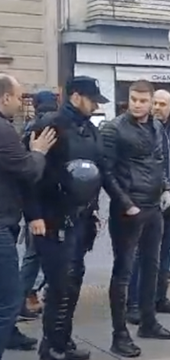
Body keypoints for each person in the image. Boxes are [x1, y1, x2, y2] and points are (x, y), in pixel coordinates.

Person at [23, 76, 112, 360]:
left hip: (80, 218)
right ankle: (51, 347)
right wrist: (34, 215)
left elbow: (94, 172)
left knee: (72, 283)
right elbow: (29, 175)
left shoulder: (88, 128)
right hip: (52, 217)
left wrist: (94, 208)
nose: (96, 105)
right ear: (76, 96)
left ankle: (64, 340)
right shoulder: (50, 125)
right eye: (92, 99)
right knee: (59, 285)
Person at [101, 80, 170, 357]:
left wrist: (166, 188)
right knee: (123, 273)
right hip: (129, 207)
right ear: (127, 98)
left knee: (152, 266)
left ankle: (148, 321)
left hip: (153, 205)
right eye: (134, 99)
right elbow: (106, 172)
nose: (138, 104)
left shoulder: (156, 126)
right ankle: (119, 334)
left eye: (143, 100)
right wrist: (126, 203)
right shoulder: (114, 128)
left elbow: (157, 162)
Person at [126, 94, 170, 325]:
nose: (157, 108)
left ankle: (159, 298)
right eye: (154, 103)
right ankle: (134, 304)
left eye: (162, 104)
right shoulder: (140, 128)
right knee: (140, 254)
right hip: (144, 201)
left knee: (164, 251)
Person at [0, 74, 56, 358]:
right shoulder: (4, 130)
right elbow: (28, 171)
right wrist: (38, 152)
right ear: (5, 97)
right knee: (9, 299)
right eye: (19, 97)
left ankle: (10, 333)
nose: (22, 104)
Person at [18, 90, 59, 321]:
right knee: (37, 255)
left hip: (35, 201)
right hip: (47, 201)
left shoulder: (29, 129)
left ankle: (27, 296)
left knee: (35, 254)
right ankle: (24, 297)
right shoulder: (50, 128)